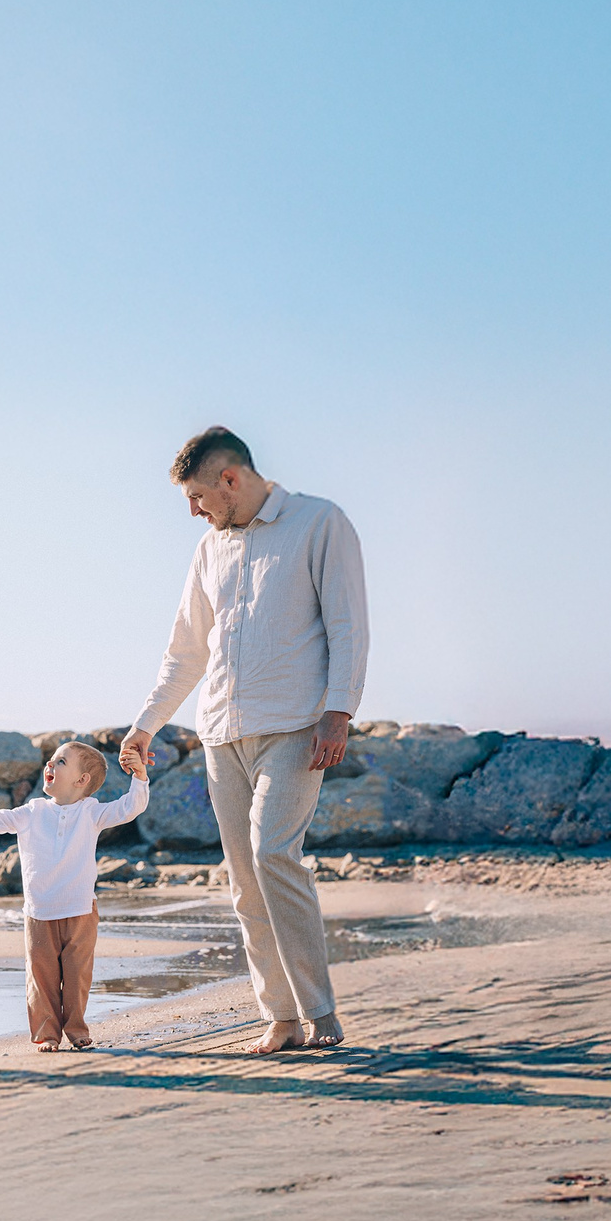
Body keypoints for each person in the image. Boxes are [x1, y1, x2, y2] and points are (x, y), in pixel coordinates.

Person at [121, 427, 368, 1056]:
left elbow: (347, 623)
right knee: (243, 881)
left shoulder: (320, 523)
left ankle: (321, 1013)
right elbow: (186, 651)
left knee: (272, 855)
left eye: (199, 496)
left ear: (231, 479)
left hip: (295, 728)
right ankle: (280, 1019)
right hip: (219, 736)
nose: (193, 510)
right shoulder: (209, 550)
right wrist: (146, 723)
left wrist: (339, 712)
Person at [0, 739, 152, 1051]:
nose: (50, 765)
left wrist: (139, 776)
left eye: (61, 761)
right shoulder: (32, 811)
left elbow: (130, 807)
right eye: (51, 759)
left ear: (82, 780)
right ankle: (47, 1034)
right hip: (39, 912)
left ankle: (76, 1029)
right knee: (41, 976)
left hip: (80, 910)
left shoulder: (91, 813)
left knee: (77, 976)